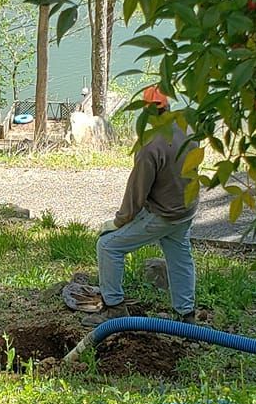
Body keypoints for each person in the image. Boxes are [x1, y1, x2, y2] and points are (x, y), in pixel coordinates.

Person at [67, 87, 202, 321]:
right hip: (186, 210)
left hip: (163, 215)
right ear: (168, 106)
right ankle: (186, 314)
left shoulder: (150, 146)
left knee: (108, 246)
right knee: (180, 256)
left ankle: (115, 308)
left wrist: (119, 221)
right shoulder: (188, 129)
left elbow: (137, 193)